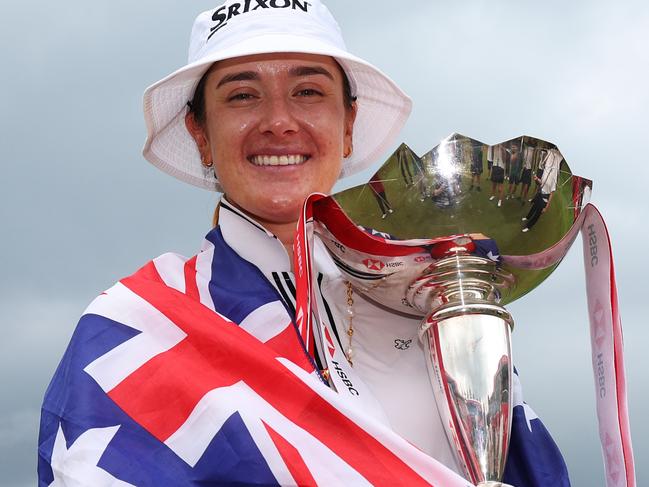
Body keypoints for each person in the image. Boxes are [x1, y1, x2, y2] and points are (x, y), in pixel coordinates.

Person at [38, 2, 570, 485]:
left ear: (348, 125)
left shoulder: (428, 292)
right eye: (242, 95)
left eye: (309, 91)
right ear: (201, 132)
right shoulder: (137, 323)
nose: (278, 123)